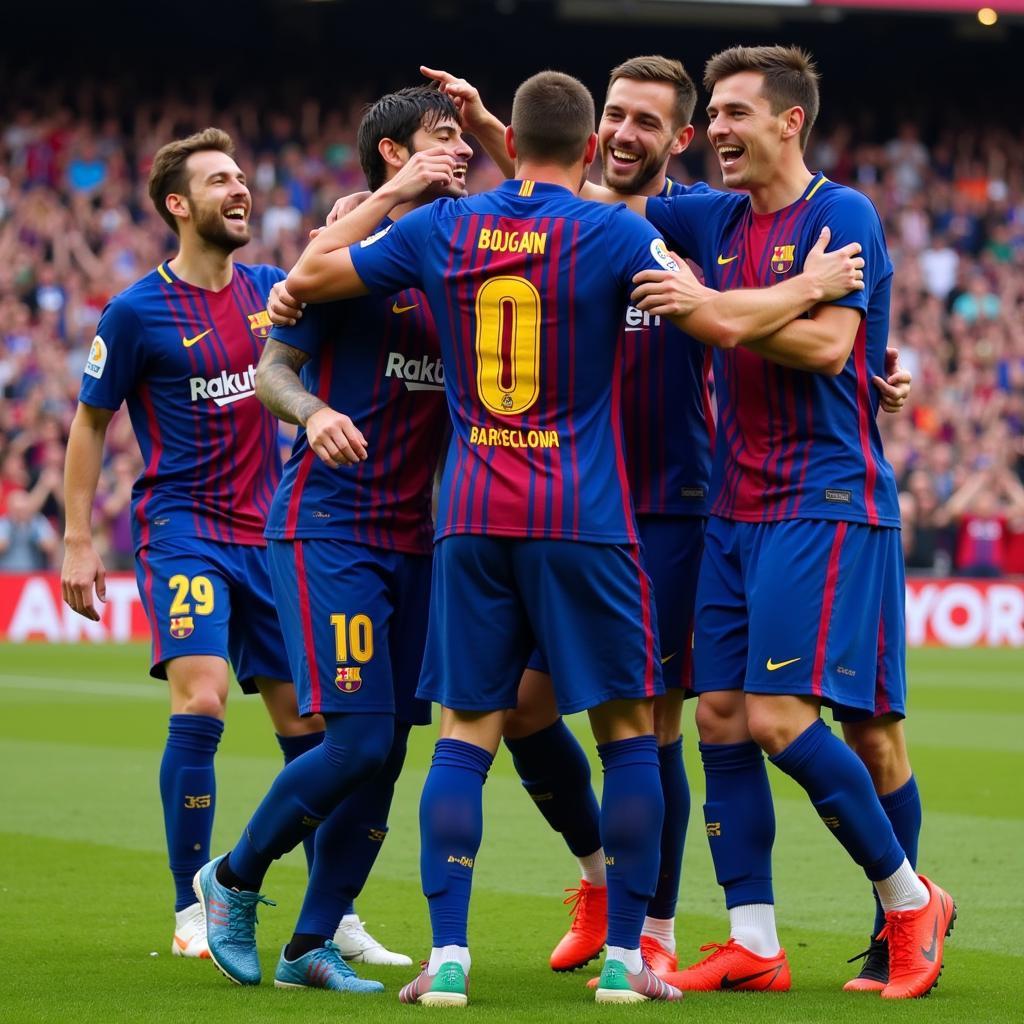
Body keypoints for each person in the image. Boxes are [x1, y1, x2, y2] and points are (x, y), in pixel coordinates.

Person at [279, 66, 869, 1007]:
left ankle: (449, 959)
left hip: (469, 512)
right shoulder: (619, 230)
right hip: (586, 518)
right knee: (635, 737)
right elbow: (716, 320)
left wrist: (388, 194)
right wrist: (811, 282)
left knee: (464, 737)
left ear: (507, 139)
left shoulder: (444, 226)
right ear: (592, 150)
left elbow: (307, 275)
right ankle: (634, 960)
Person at [426, 57, 912, 987]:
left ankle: (656, 931)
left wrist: (778, 317)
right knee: (536, 709)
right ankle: (612, 887)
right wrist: (499, 130)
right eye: (611, 117)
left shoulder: (695, 220)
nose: (622, 134)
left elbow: (818, 343)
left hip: (683, 508)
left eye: (648, 122)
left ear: (679, 141)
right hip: (577, 506)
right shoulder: (617, 227)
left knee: (668, 725)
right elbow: (547, 174)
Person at [628, 45, 954, 999]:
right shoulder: (716, 217)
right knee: (721, 719)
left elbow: (824, 346)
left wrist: (722, 307)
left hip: (826, 499)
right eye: (712, 116)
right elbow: (593, 192)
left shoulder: (843, 213)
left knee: (841, 729)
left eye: (733, 113)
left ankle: (907, 905)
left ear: (789, 122)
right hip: (734, 508)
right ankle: (756, 941)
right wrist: (793, 289)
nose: (716, 131)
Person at [191, 88, 473, 993]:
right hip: (331, 528)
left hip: (417, 539)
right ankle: (231, 878)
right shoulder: (350, 252)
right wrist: (310, 414)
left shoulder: (462, 253)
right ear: (393, 153)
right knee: (354, 741)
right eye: (443, 137)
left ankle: (312, 943)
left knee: (390, 748)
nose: (462, 148)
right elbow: (272, 366)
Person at [60, 128, 326, 961]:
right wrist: (76, 536)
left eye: (243, 176)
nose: (240, 188)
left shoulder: (274, 290)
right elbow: (90, 421)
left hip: (272, 536)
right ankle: (189, 909)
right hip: (184, 531)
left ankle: (332, 913)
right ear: (179, 205)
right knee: (202, 698)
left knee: (311, 725)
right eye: (219, 180)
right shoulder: (136, 310)